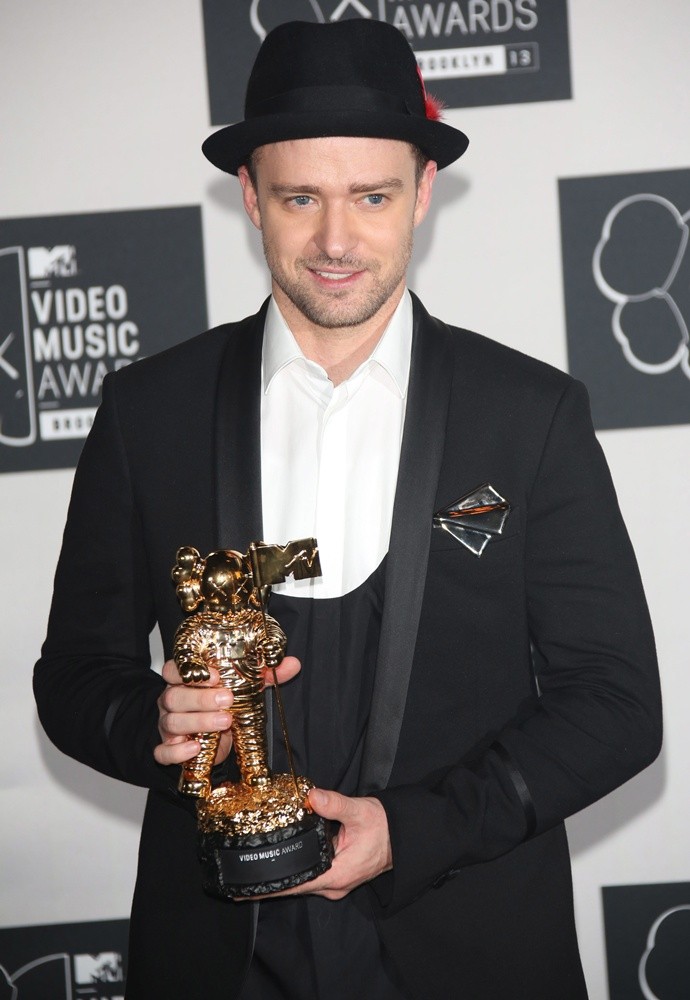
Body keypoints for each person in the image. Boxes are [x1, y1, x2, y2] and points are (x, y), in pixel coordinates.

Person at [33, 18, 662, 1000]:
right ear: (249, 197)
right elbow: (73, 677)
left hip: (472, 952)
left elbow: (619, 707)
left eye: (371, 196)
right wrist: (151, 721)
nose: (336, 241)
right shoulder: (148, 412)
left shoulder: (529, 414)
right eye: (300, 198)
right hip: (216, 957)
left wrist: (413, 830)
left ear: (423, 191)